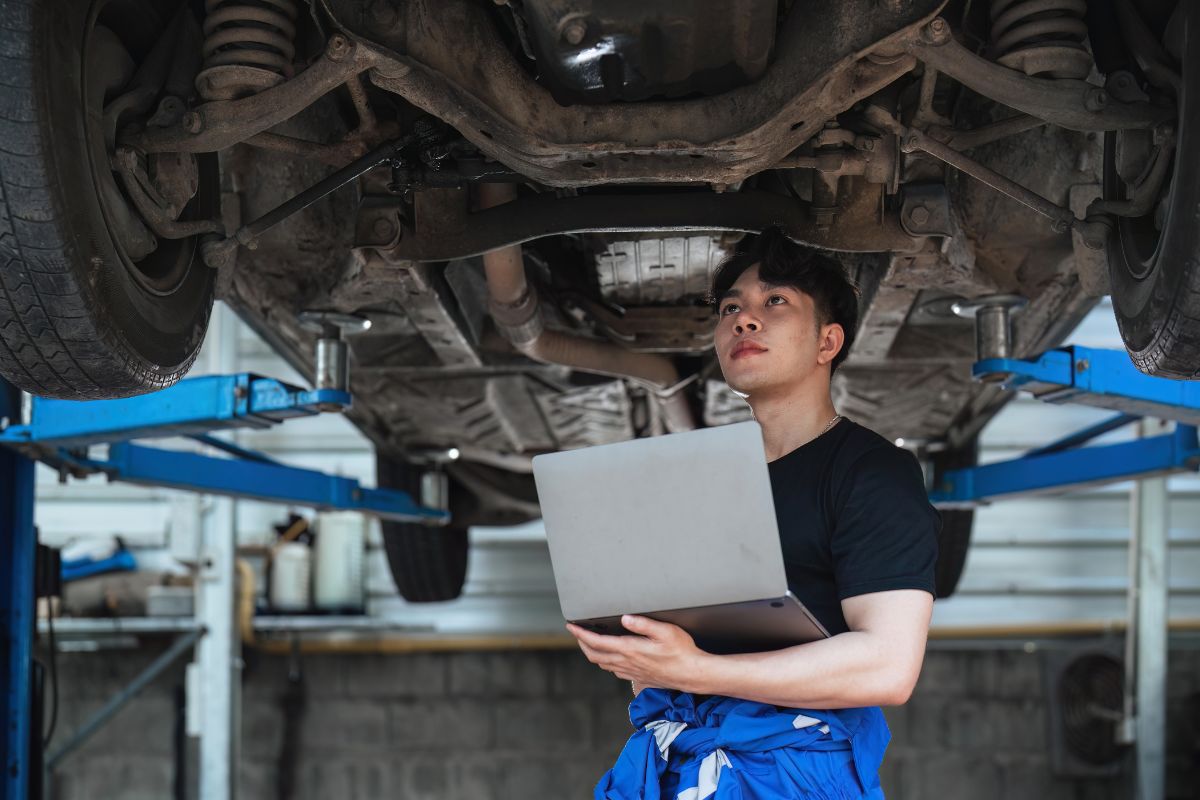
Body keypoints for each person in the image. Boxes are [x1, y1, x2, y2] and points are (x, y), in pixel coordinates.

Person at [566, 227, 941, 799]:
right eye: (731, 308)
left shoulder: (872, 472)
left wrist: (694, 672)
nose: (744, 319)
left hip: (791, 774)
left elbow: (888, 667)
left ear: (827, 342)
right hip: (679, 762)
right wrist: (634, 649)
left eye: (776, 302)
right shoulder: (706, 479)